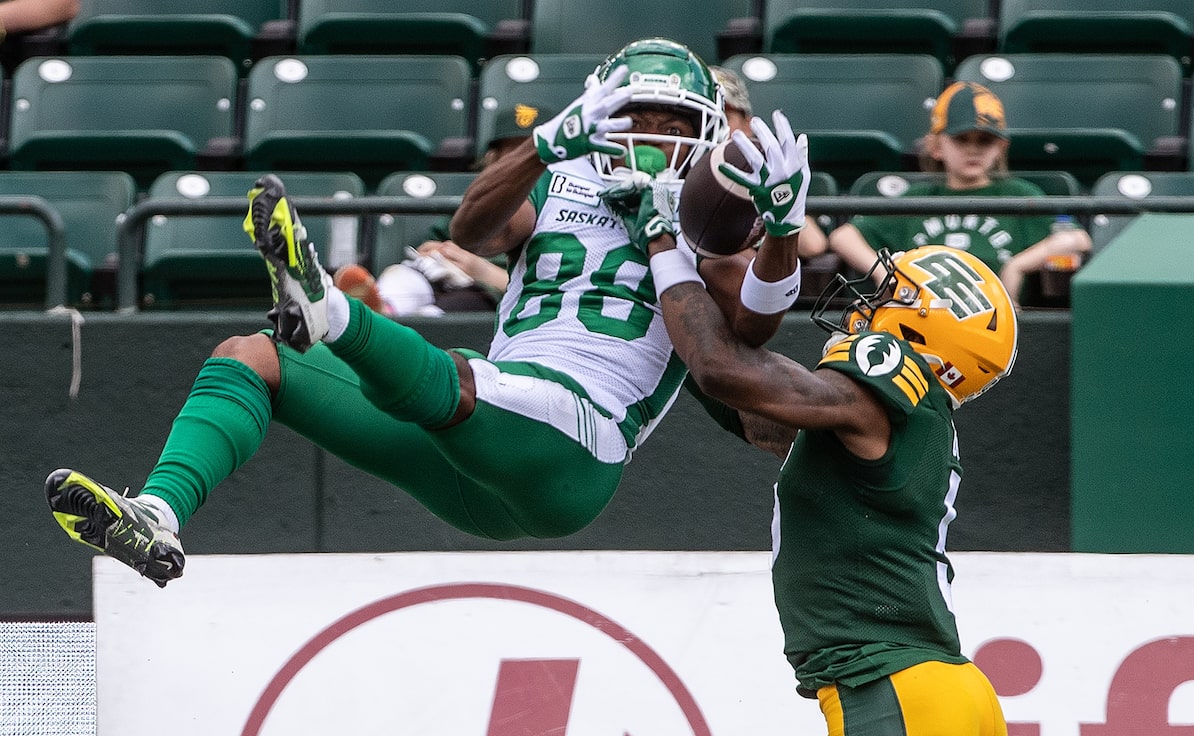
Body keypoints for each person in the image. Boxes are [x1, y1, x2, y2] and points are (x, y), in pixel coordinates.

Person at [43, 37, 801, 588]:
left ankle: (331, 310)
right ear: (599, 113)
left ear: (708, 129)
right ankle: (158, 514)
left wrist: (781, 232)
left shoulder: (710, 220)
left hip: (576, 446)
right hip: (477, 449)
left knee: (463, 376)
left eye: (674, 123)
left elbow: (753, 325)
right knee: (252, 357)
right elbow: (473, 231)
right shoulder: (560, 179)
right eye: (637, 115)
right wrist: (542, 146)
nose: (652, 136)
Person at [640, 114, 1015, 732]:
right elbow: (752, 412)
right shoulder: (901, 419)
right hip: (932, 687)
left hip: (895, 683)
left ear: (926, 326)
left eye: (892, 294)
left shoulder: (890, 376)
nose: (871, 299)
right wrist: (670, 305)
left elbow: (726, 372)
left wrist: (664, 250)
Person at [828, 80, 1091, 307]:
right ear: (936, 146)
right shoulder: (918, 198)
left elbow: (1077, 238)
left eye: (984, 140)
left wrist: (1016, 266)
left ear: (1000, 147)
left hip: (996, 320)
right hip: (921, 320)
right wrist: (884, 272)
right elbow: (843, 236)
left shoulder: (1018, 194)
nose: (973, 149)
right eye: (961, 139)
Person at [332, 100, 538, 316]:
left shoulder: (556, 212)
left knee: (453, 306)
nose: (522, 162)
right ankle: (382, 308)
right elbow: (442, 237)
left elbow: (552, 289)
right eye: (512, 153)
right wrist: (436, 251)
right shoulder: (481, 202)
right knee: (406, 275)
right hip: (442, 275)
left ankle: (410, 320)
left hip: (492, 294)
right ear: (493, 159)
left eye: (531, 153)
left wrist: (482, 270)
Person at [710, 64, 828, 261]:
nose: (713, 125)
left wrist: (781, 206)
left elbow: (813, 245)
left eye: (724, 116)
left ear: (747, 125)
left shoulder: (769, 169)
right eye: (704, 117)